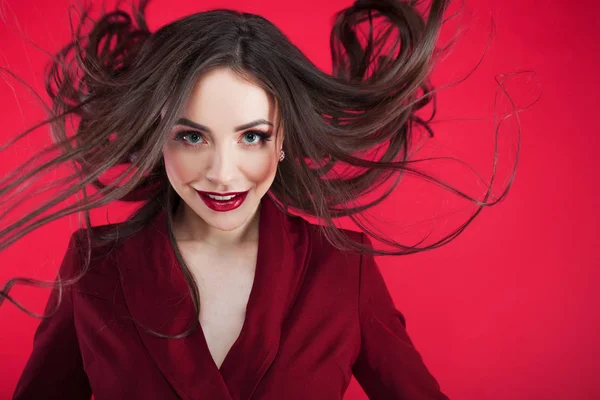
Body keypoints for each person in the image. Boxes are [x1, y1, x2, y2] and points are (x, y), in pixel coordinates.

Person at [0, 0, 513, 398]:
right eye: (192, 136)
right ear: (157, 137)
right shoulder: (97, 265)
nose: (223, 175)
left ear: (284, 138)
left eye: (252, 137)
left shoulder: (341, 271)